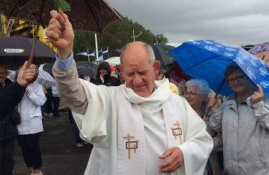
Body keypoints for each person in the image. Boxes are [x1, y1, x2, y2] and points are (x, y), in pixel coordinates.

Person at [46, 10, 213, 175]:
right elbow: (73, 95)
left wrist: (183, 152)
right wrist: (65, 55)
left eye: (142, 72)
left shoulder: (177, 104)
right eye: (130, 74)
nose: (137, 81)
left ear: (155, 68)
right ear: (121, 71)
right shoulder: (109, 100)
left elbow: (201, 140)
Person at [208, 63, 269, 175]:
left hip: (263, 170)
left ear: (249, 76)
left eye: (240, 77)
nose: (235, 82)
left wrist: (259, 105)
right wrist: (216, 110)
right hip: (233, 170)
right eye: (231, 79)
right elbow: (216, 126)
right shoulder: (228, 101)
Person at [0, 61, 37, 175]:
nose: (2, 75)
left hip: (10, 130)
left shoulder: (10, 84)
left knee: (8, 160)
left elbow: (16, 101)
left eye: (4, 72)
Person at [185, 79, 224, 175]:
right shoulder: (182, 111)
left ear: (203, 97)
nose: (188, 96)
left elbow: (223, 137)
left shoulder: (212, 112)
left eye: (193, 93)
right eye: (187, 93)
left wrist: (203, 145)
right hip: (189, 161)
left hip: (210, 163)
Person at [16, 78, 46, 175]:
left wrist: (28, 92)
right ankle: (31, 169)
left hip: (33, 124)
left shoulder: (37, 86)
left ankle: (37, 171)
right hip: (19, 124)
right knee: (24, 148)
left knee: (33, 148)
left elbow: (41, 101)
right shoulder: (15, 86)